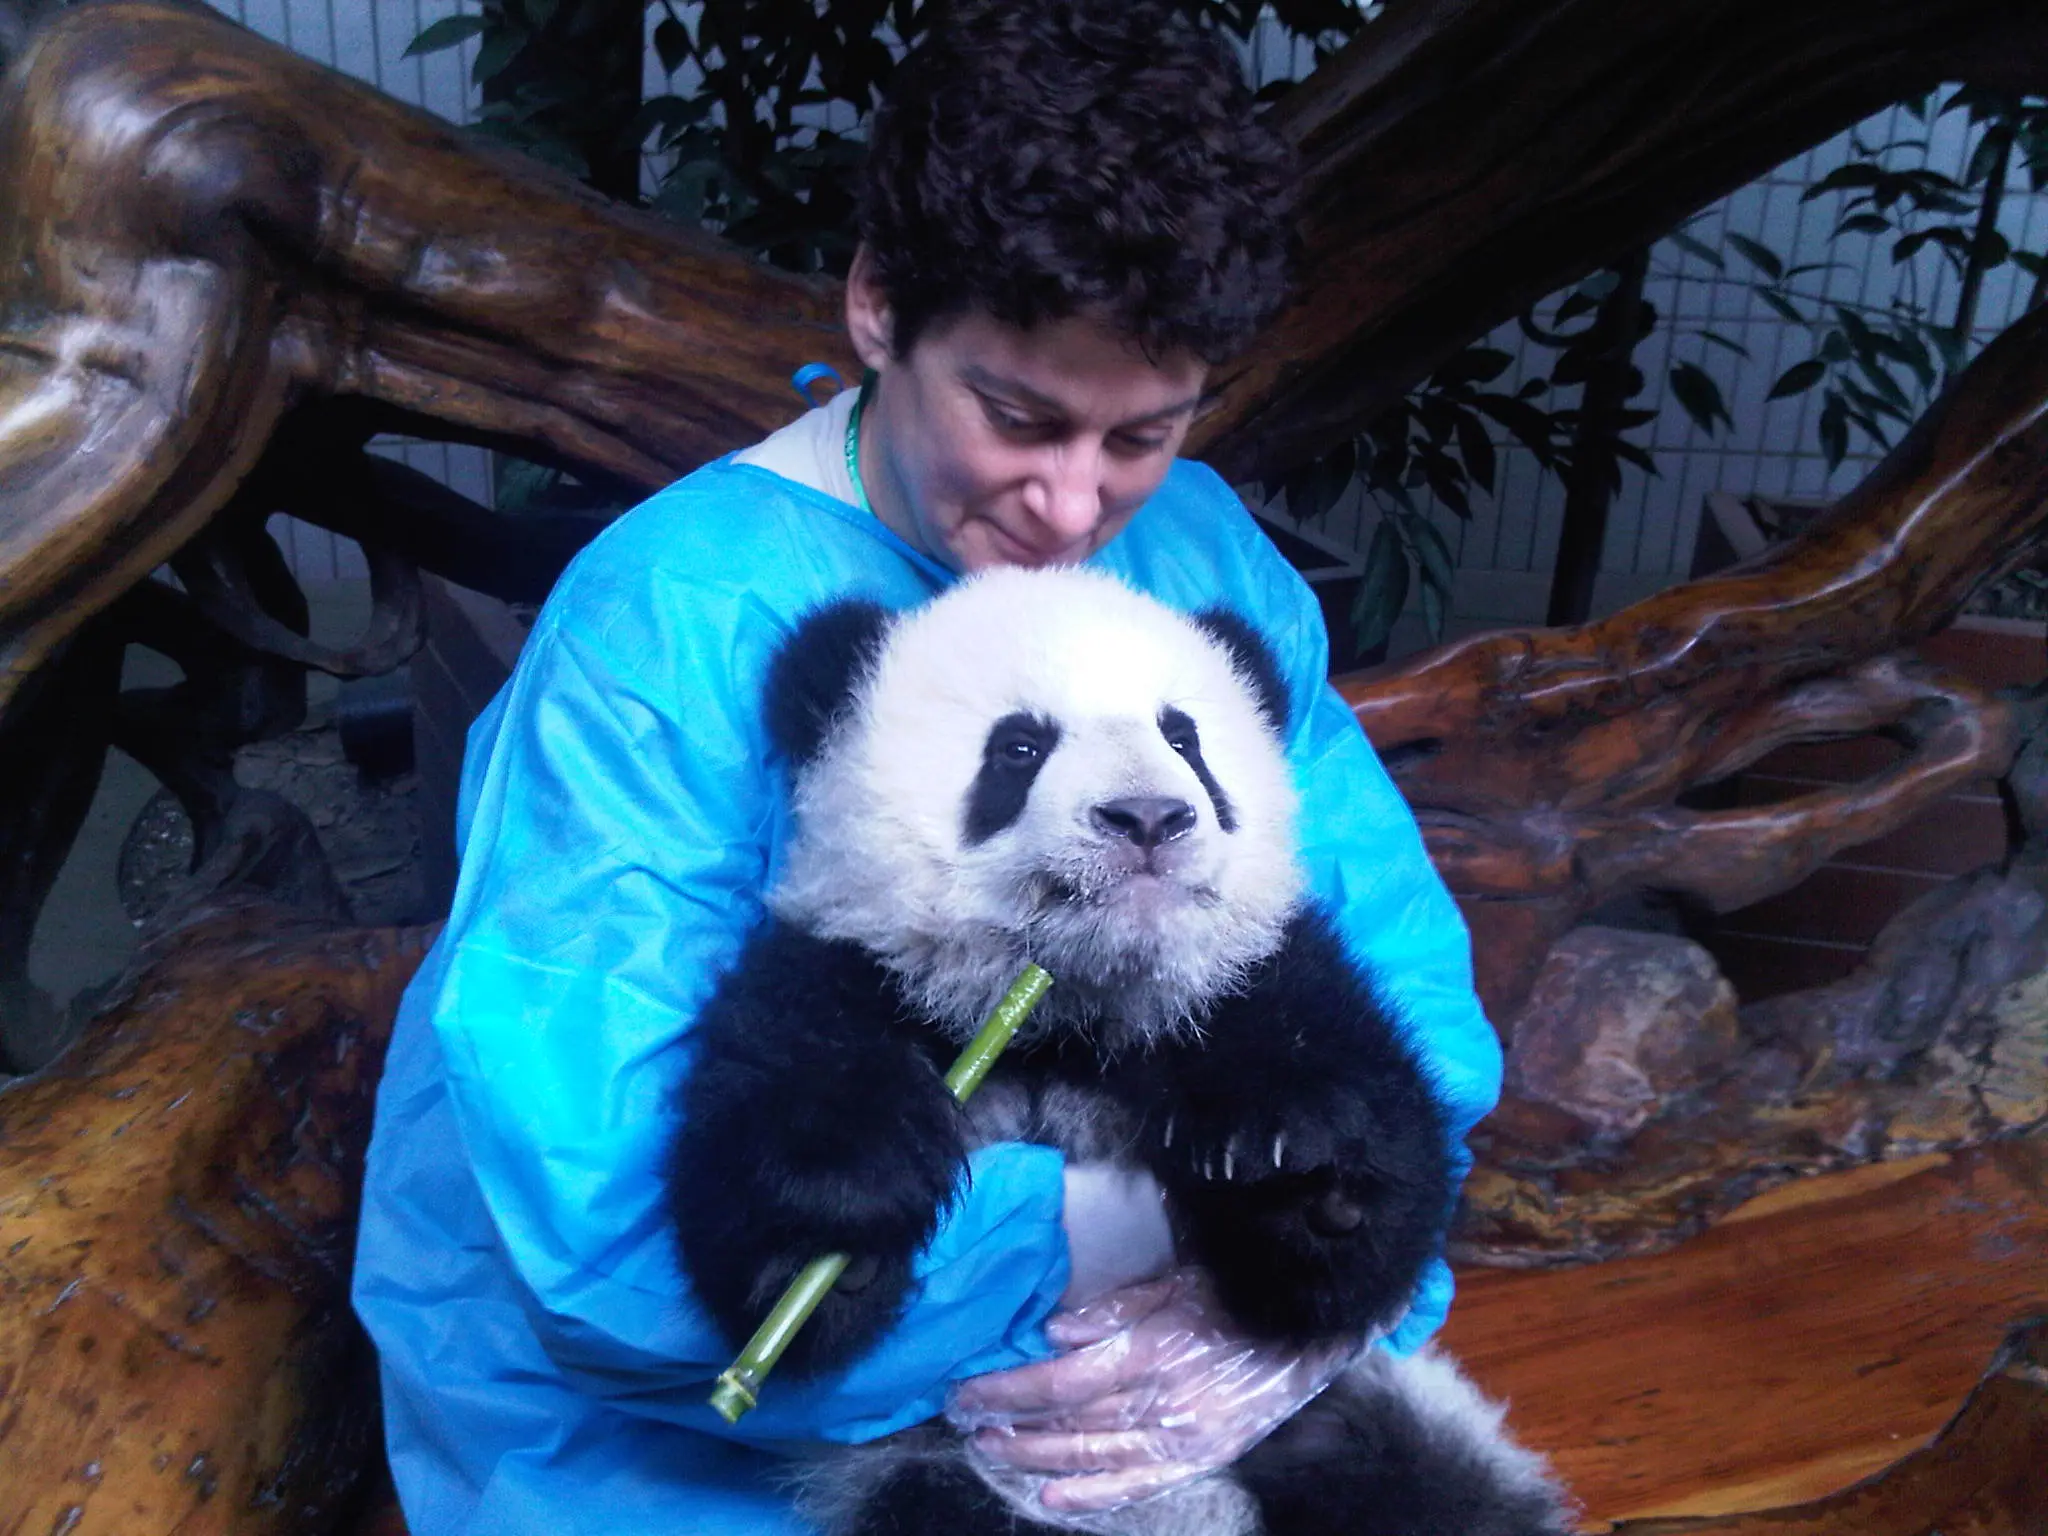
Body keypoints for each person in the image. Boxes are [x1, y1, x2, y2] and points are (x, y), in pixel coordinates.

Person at [350, 3, 1502, 1532]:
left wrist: (1310, 1276)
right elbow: (601, 1235)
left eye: (1142, 433)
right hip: (705, 1450)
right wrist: (1129, 1227)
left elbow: (1400, 990)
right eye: (1018, 416)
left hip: (1137, 1403)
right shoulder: (671, 623)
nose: (1075, 503)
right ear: (880, 304)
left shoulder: (1203, 554)